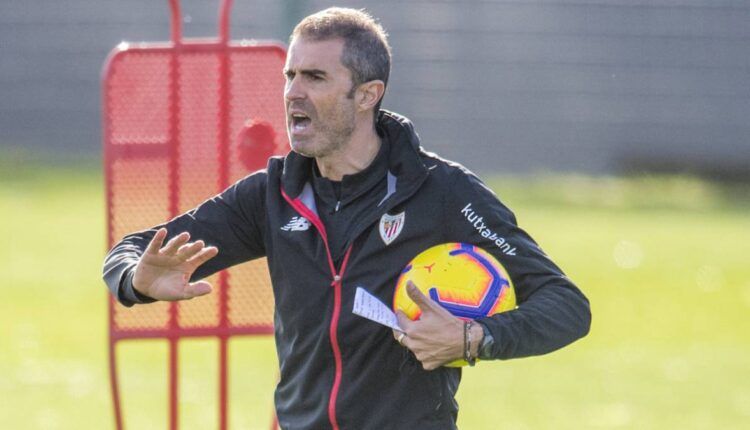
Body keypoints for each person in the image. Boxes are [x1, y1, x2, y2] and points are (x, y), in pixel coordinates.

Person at [103, 7, 591, 429]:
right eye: (290, 76)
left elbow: (566, 306)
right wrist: (135, 279)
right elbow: (129, 251)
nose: (293, 92)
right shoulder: (272, 194)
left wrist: (474, 338)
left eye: (315, 78)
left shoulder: (442, 192)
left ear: (367, 94)